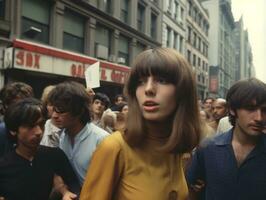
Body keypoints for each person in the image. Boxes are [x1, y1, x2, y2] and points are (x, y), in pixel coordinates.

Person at [80, 48, 201, 200]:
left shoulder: (175, 148)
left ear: (183, 91)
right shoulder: (114, 147)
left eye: (161, 80)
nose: (149, 89)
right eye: (141, 82)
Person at [186, 78, 266, 200]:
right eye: (250, 108)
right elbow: (191, 189)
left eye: (264, 110)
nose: (259, 118)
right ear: (233, 110)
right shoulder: (207, 148)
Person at [0, 98, 80, 200]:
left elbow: (74, 185)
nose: (38, 132)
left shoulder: (54, 156)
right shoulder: (4, 166)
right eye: (30, 126)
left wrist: (67, 193)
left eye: (41, 124)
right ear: (13, 130)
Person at [48, 81, 109, 185]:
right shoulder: (62, 136)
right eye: (54, 109)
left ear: (78, 111)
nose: (54, 116)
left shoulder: (102, 140)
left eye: (61, 111)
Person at [0, 82, 34, 157]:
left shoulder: (35, 128)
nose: (20, 110)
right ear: (6, 106)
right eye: (15, 105)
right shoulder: (2, 131)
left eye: (23, 105)